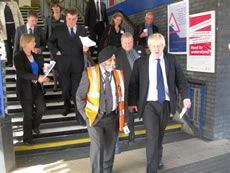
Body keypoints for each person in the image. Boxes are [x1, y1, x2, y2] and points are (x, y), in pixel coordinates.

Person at [128, 33, 191, 173]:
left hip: (165, 104)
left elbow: (181, 80)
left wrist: (186, 98)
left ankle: (158, 157)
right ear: (149, 47)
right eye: (154, 46)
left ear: (163, 46)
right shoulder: (141, 63)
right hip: (148, 105)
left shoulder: (171, 60)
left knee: (160, 135)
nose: (157, 49)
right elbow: (133, 84)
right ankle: (152, 169)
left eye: (159, 45)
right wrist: (132, 103)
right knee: (152, 136)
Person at [76, 46, 125, 173]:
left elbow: (122, 97)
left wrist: (123, 118)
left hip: (112, 118)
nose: (113, 63)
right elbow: (79, 97)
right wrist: (86, 117)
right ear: (103, 61)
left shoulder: (118, 74)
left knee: (110, 148)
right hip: (95, 118)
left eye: (114, 60)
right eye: (110, 60)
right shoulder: (89, 73)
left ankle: (107, 170)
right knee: (98, 148)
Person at [48, 9, 88, 125]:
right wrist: (56, 51)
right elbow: (50, 42)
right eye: (69, 19)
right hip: (63, 64)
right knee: (65, 88)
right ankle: (67, 106)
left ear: (76, 19)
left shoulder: (81, 30)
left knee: (76, 91)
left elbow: (87, 43)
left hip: (77, 65)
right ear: (66, 18)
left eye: (74, 19)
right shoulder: (58, 29)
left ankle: (79, 114)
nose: (71, 21)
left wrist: (86, 48)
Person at [14, 34, 49, 146]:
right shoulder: (18, 56)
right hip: (24, 89)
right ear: (26, 43)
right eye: (33, 41)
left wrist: (44, 72)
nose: (35, 43)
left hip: (36, 87)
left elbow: (39, 70)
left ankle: (34, 126)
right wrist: (37, 77)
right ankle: (27, 138)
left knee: (42, 108)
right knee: (28, 114)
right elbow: (22, 74)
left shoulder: (36, 55)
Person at [116, 32, 146, 143]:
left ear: (133, 41)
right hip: (126, 87)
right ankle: (131, 133)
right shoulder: (117, 53)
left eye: (130, 42)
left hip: (141, 86)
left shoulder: (140, 50)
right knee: (129, 112)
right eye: (125, 43)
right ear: (121, 42)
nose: (128, 45)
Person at [44, 1, 65, 92]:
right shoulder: (48, 19)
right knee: (54, 65)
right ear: (52, 8)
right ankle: (55, 84)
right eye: (54, 7)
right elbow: (46, 32)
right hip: (53, 45)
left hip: (63, 45)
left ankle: (63, 82)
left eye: (57, 6)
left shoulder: (64, 18)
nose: (56, 8)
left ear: (60, 8)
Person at [0, 0, 24, 66]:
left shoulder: (14, 3)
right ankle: (10, 61)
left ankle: (16, 61)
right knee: (7, 45)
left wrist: (23, 26)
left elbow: (19, 15)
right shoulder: (0, 4)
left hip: (14, 26)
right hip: (4, 27)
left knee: (16, 44)